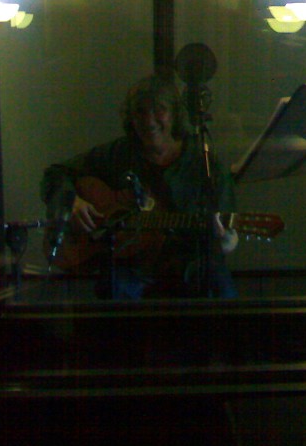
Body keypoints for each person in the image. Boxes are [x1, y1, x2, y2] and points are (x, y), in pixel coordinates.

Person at [40, 73, 239, 299]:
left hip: (188, 267)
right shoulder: (118, 154)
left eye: (159, 110)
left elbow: (227, 234)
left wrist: (223, 239)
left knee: (222, 293)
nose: (149, 121)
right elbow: (55, 174)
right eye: (140, 112)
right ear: (131, 118)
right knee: (112, 289)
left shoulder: (204, 164)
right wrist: (71, 202)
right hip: (131, 269)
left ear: (175, 114)